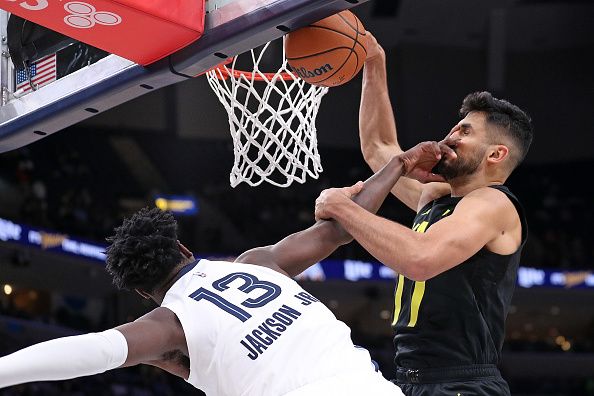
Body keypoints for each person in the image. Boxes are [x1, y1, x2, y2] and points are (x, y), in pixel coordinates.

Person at [0, 141, 451, 396]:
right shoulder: (258, 262)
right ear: (182, 246)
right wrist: (400, 164)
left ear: (142, 292)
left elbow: (98, 351)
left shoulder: (168, 324)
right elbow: (340, 229)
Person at [314, 33, 533, 396]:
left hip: (463, 382)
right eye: (453, 127)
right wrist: (374, 60)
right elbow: (378, 148)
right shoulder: (434, 194)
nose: (449, 137)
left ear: (495, 155)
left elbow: (419, 258)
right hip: (411, 378)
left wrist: (341, 206)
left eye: (464, 132)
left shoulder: (494, 203)